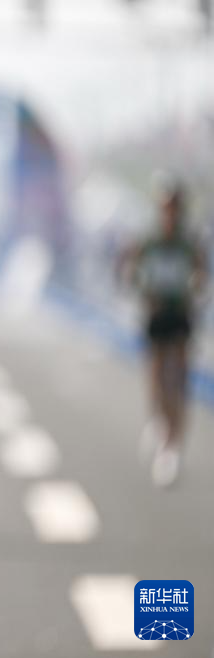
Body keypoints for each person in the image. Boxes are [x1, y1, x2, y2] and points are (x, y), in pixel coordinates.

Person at [132, 179, 207, 488]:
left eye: (173, 206)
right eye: (165, 207)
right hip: (156, 313)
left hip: (180, 314)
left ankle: (172, 444)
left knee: (179, 379)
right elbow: (133, 269)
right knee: (156, 373)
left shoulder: (188, 241)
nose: (169, 213)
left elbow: (201, 272)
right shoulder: (150, 239)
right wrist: (143, 288)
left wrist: (194, 287)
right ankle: (159, 420)